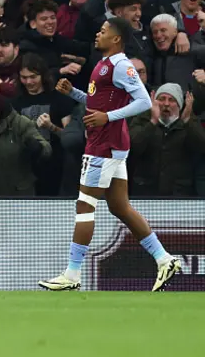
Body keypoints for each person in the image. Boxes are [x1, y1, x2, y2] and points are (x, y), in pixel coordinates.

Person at [39, 17, 181, 292]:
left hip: (104, 146)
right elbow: (99, 103)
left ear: (116, 39)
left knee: (84, 206)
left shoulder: (121, 65)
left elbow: (142, 101)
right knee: (119, 207)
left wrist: (107, 117)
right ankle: (165, 259)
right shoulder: (103, 65)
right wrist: (75, 94)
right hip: (109, 144)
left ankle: (72, 273)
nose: (98, 33)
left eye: (103, 31)